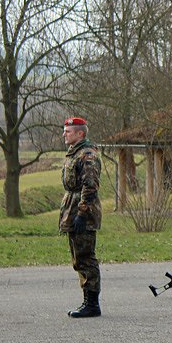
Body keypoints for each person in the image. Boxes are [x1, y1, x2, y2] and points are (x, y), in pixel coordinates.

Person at [59, 117, 103, 318]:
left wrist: (82, 214)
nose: (64, 134)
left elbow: (90, 186)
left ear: (80, 133)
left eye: (68, 131)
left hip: (82, 211)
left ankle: (92, 304)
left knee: (85, 257)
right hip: (73, 207)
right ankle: (87, 300)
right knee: (78, 258)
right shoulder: (75, 153)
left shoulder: (87, 155)